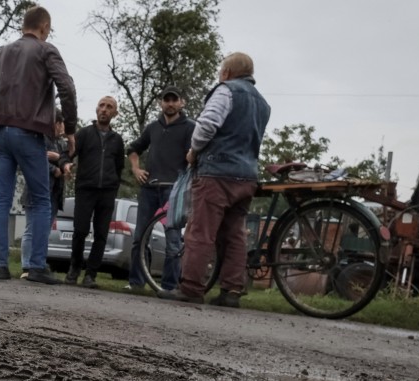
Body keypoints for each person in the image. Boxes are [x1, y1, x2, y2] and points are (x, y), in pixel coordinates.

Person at [0, 5, 78, 284]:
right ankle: (36, 266)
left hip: (0, 135)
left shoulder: (0, 53)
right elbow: (67, 87)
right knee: (41, 200)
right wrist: (71, 130)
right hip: (29, 132)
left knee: (2, 199)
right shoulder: (45, 49)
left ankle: (1, 267)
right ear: (45, 27)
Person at [160, 52, 271, 307]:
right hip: (247, 176)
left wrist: (194, 150)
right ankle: (231, 291)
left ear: (227, 72)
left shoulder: (225, 91)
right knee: (235, 234)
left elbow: (207, 124)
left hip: (217, 173)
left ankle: (190, 288)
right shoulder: (263, 103)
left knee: (201, 231)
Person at [125, 86, 195, 293]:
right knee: (139, 237)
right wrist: (136, 169)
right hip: (149, 189)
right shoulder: (152, 127)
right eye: (167, 100)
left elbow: (194, 155)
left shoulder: (190, 127)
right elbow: (133, 149)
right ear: (161, 103)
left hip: (173, 191)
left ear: (181, 103)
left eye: (174, 100)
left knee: (172, 240)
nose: (170, 104)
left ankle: (169, 287)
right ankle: (136, 283)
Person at [65, 96, 125, 289]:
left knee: (101, 234)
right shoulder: (84, 134)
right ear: (96, 109)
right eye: (102, 106)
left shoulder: (117, 140)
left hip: (107, 193)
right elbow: (69, 154)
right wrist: (65, 164)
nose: (104, 110)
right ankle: (74, 269)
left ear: (115, 113)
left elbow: (119, 167)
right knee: (80, 230)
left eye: (109, 107)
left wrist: (113, 186)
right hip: (85, 189)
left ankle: (91, 274)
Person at [20, 110, 71, 278]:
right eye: (60, 123)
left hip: (55, 193)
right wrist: (55, 168)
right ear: (55, 123)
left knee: (44, 231)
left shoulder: (62, 144)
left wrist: (57, 158)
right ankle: (27, 265)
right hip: (37, 191)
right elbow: (34, 159)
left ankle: (38, 262)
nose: (62, 127)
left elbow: (68, 162)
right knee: (31, 229)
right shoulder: (39, 139)